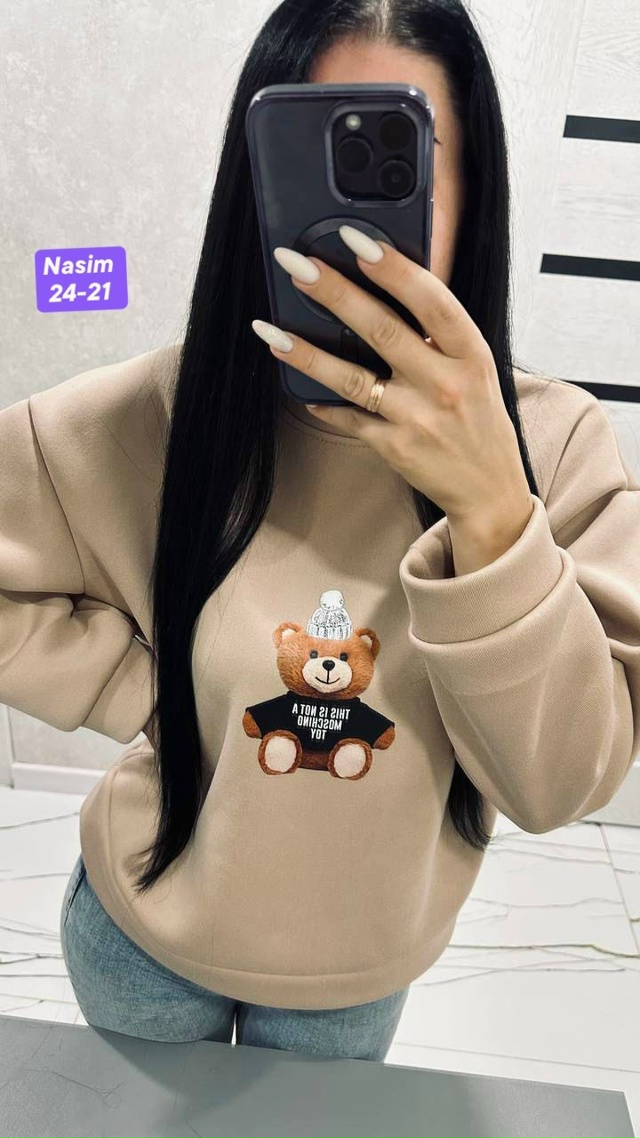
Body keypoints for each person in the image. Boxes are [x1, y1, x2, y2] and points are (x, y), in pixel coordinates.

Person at [3, 0, 639, 1063]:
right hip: (143, 934)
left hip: (356, 977)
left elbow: (560, 784)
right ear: (252, 187)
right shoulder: (163, 414)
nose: (352, 234)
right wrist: (148, 692)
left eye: (399, 166)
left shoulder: (555, 447)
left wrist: (493, 512)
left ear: (472, 194)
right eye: (311, 167)